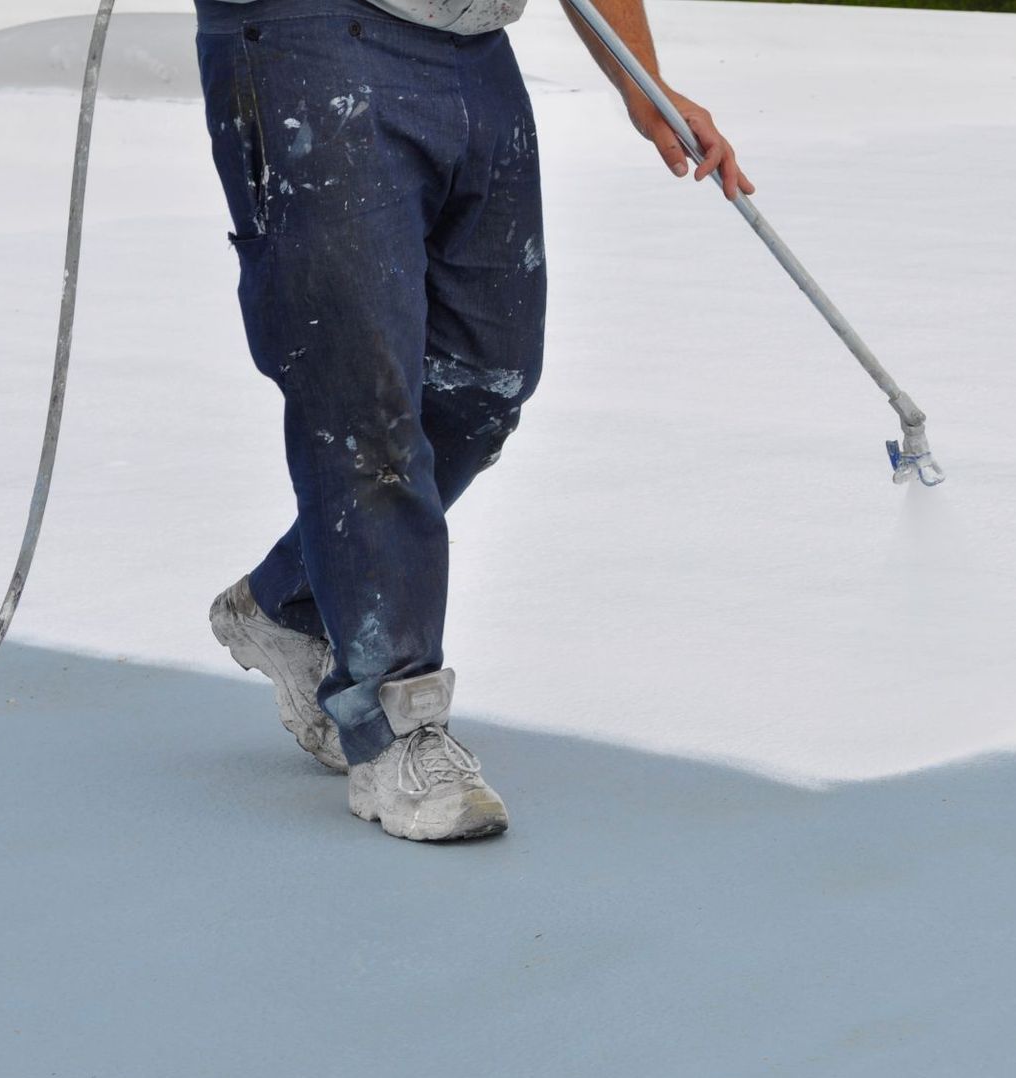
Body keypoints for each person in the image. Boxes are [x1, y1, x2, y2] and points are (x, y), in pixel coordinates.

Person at [196, 0, 751, 842]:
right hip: (312, 35)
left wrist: (644, 80)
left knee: (485, 381)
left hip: (470, 50)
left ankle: (291, 602)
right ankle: (396, 729)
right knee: (359, 402)